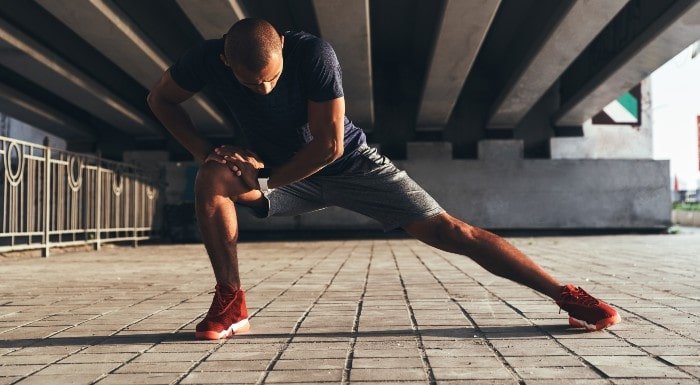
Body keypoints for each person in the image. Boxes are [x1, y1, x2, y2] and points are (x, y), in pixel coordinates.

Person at [147, 18, 620, 340]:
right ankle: (232, 302)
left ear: (284, 52)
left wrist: (267, 181)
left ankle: (566, 295)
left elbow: (328, 145)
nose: (265, 89)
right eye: (253, 85)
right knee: (210, 178)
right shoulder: (206, 59)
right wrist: (206, 152)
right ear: (227, 64)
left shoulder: (314, 55)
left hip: (347, 162)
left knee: (452, 231)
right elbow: (161, 99)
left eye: (272, 78)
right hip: (273, 164)